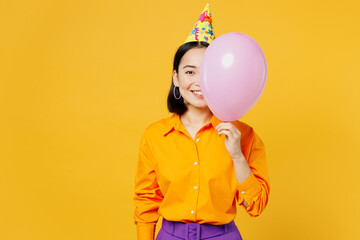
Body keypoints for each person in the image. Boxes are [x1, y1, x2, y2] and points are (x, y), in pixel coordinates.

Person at [133, 3, 270, 240]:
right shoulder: (155, 136)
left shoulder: (244, 135)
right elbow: (146, 200)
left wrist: (237, 156)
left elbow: (256, 206)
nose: (199, 81)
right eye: (189, 72)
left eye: (208, 71)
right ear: (175, 78)